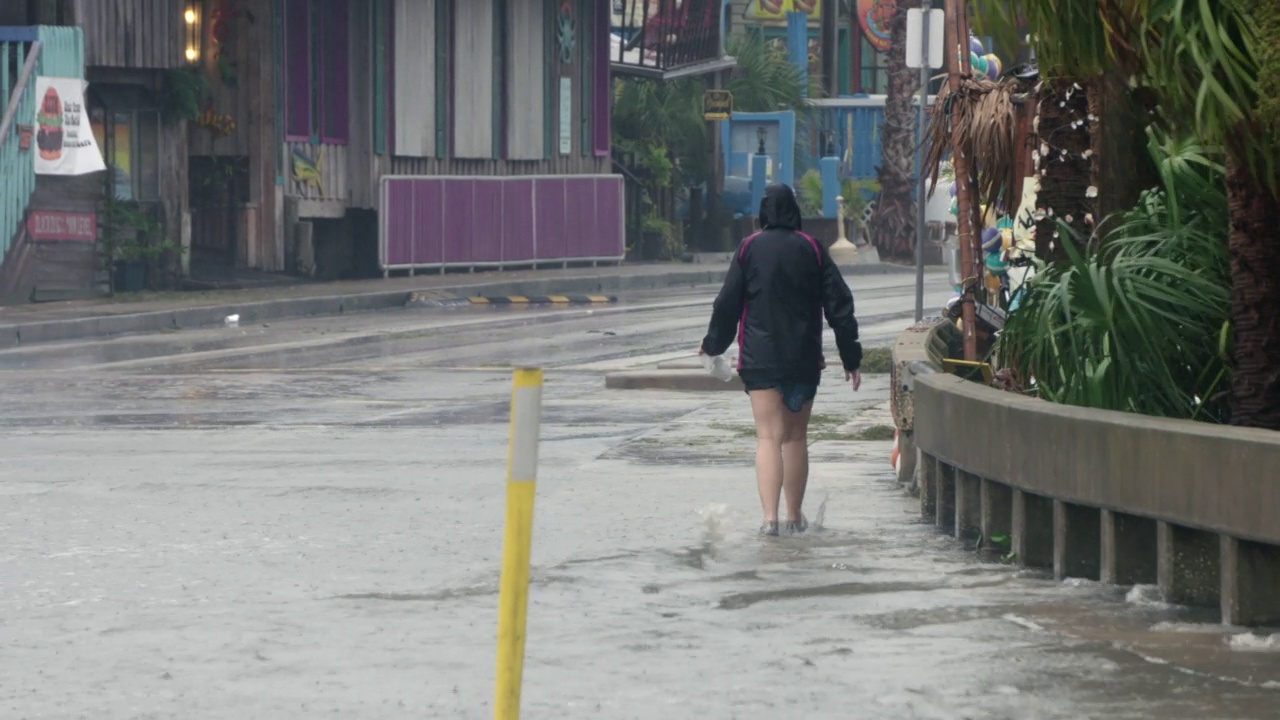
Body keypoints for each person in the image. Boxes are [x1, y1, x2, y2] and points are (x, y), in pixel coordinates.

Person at [699, 183, 863, 536]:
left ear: (763, 212)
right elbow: (840, 306)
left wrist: (712, 346)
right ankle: (794, 517)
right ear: (795, 211)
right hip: (803, 359)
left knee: (768, 437)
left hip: (759, 359)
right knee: (795, 438)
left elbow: (727, 304)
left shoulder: (748, 249)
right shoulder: (813, 249)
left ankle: (769, 521)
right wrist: (852, 358)